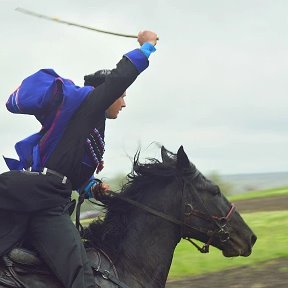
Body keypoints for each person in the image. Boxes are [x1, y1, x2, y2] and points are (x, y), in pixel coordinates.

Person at [0, 30, 158, 288]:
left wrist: (90, 186)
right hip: (45, 202)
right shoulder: (87, 107)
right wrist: (146, 47)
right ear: (106, 95)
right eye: (122, 96)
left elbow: (68, 169)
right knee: (82, 279)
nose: (124, 103)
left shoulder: (87, 125)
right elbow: (120, 77)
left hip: (47, 198)